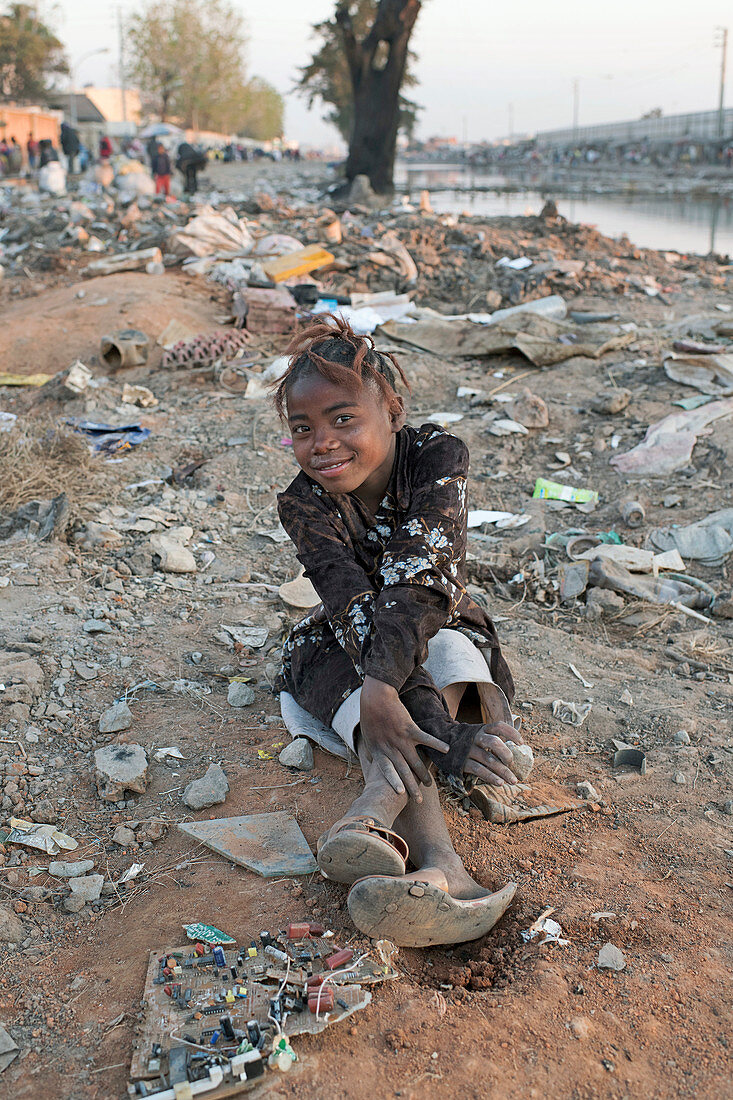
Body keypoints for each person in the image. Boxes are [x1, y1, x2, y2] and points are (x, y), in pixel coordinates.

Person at [273, 317, 524, 949]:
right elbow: (348, 602)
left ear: (393, 410)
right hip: (349, 637)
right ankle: (443, 862)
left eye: (343, 419)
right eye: (303, 429)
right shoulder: (303, 502)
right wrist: (415, 716)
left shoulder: (437, 458)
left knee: (440, 647)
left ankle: (378, 810)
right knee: (327, 664)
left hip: (437, 622)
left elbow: (419, 586)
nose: (323, 444)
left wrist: (393, 695)